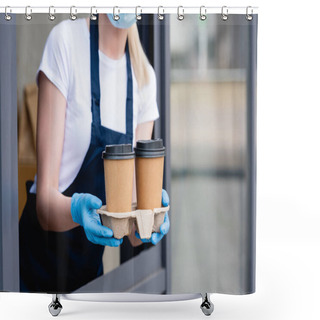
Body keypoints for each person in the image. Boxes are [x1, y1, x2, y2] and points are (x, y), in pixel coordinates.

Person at [19, 13, 170, 293]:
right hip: (32, 272)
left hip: (88, 281)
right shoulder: (66, 42)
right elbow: (44, 209)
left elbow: (134, 236)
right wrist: (77, 211)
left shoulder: (143, 77)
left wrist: (151, 217)